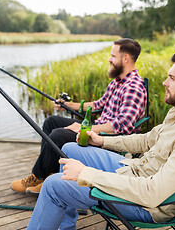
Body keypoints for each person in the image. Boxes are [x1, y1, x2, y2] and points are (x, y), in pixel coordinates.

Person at [26, 48, 175, 229]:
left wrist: (88, 174)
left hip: (146, 205)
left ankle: (60, 200)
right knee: (70, 148)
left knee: (53, 185)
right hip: (136, 171)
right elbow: (147, 140)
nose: (165, 82)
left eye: (172, 78)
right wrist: (102, 141)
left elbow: (153, 193)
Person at [11, 38, 147, 194]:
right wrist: (70, 105)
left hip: (107, 140)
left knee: (57, 135)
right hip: (96, 130)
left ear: (125, 58)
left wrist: (86, 128)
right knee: (51, 122)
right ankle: (49, 174)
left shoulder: (133, 86)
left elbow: (123, 125)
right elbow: (98, 104)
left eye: (113, 56)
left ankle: (38, 176)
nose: (109, 59)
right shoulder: (118, 82)